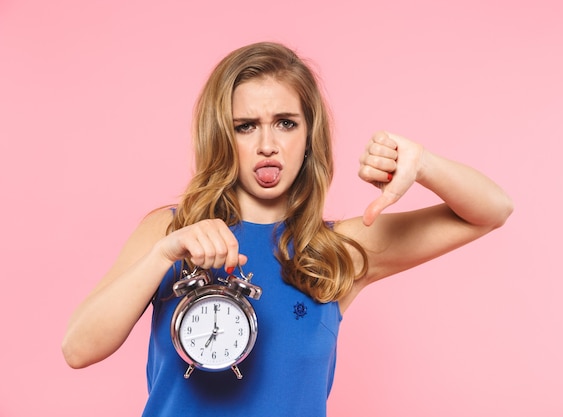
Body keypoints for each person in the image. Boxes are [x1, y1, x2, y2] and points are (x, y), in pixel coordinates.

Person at [62, 41, 513, 416]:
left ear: (308, 135)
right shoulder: (170, 230)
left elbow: (493, 209)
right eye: (245, 127)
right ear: (223, 136)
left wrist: (423, 164)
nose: (267, 146)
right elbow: (78, 349)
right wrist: (164, 254)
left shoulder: (338, 250)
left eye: (285, 123)